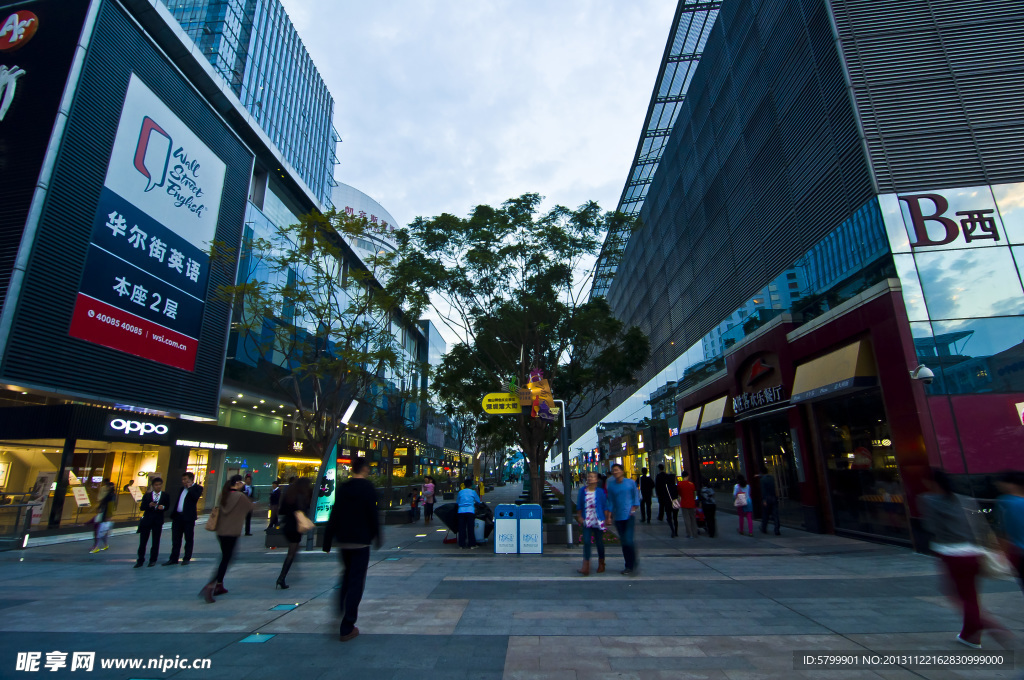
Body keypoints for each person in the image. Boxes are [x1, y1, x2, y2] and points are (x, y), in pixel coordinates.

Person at [920, 469, 1008, 648]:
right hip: (973, 552)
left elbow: (930, 526)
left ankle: (991, 627)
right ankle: (970, 635)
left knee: (956, 596)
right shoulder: (965, 500)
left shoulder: (928, 500)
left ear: (932, 483)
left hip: (951, 554)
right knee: (970, 595)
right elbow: (979, 525)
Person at [323, 457, 381, 642]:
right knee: (357, 581)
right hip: (361, 541)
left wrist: (327, 539)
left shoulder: (343, 488)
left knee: (347, 576)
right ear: (364, 469)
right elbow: (373, 513)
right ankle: (347, 625)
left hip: (344, 540)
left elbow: (335, 512)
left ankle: (340, 607)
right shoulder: (367, 488)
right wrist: (377, 535)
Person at [199, 474, 253, 603]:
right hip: (232, 532)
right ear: (238, 483)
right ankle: (211, 585)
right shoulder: (240, 496)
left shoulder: (223, 494)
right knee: (227, 559)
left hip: (221, 531)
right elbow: (251, 507)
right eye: (242, 483)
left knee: (225, 557)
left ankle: (219, 585)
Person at [276, 477, 313, 589]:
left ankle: (282, 577)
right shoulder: (301, 496)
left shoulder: (289, 494)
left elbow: (281, 510)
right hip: (296, 527)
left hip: (288, 525)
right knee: (291, 553)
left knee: (292, 551)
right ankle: (281, 578)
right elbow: (303, 510)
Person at [606, 463, 640, 575]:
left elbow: (636, 497)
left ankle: (632, 562)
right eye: (613, 471)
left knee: (628, 540)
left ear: (622, 471)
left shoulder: (630, 483)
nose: (615, 472)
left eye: (616, 470)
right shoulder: (611, 485)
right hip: (618, 517)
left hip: (629, 516)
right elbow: (610, 501)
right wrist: (609, 516)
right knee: (624, 542)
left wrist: (633, 509)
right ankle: (629, 564)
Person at [576, 471, 611, 575]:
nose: (590, 478)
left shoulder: (600, 492)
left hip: (598, 520)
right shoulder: (582, 491)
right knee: (586, 541)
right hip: (587, 520)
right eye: (588, 476)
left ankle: (601, 563)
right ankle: (586, 566)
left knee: (599, 542)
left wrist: (606, 518)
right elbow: (579, 505)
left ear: (597, 480)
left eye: (592, 477)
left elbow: (605, 505)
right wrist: (579, 517)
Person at [164, 472, 203, 566]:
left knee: (188, 538)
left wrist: (189, 488)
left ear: (191, 479)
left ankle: (187, 557)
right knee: (176, 539)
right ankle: (174, 558)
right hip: (178, 517)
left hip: (188, 518)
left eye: (185, 479)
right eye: (183, 480)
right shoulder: (182, 489)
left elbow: (195, 497)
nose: (184, 481)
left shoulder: (198, 488)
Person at [995, 470, 1024, 595]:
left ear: (1012, 484)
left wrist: (1002, 552)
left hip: (1019, 551)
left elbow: (1002, 531)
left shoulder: (1005, 502)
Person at [135, 476, 166, 567]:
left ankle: (153, 560)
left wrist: (162, 507)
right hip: (147, 520)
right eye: (156, 485)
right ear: (153, 486)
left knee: (156, 541)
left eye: (160, 485)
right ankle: (140, 560)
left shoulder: (165, 495)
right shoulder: (147, 495)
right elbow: (142, 507)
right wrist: (149, 505)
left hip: (158, 521)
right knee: (143, 542)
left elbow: (167, 506)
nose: (158, 487)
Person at [89, 481, 116, 554]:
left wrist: (108, 516)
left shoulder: (110, 495)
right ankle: (104, 545)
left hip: (104, 515)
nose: (105, 488)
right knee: (103, 531)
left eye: (106, 486)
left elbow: (110, 506)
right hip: (104, 515)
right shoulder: (110, 495)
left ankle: (96, 547)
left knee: (99, 531)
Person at [456, 480, 482, 549]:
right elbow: (478, 501)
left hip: (461, 512)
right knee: (470, 528)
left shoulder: (460, 492)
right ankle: (471, 544)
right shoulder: (473, 492)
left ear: (464, 485)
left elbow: (457, 502)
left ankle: (461, 544)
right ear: (471, 485)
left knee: (462, 529)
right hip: (470, 511)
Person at [759, 469, 781, 536]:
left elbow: (763, 491)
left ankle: (764, 528)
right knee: (775, 515)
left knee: (765, 514)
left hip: (767, 498)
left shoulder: (762, 480)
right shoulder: (772, 478)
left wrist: (764, 500)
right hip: (773, 497)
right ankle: (777, 529)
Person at [677, 472, 698, 539]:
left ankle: (689, 533)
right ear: (688, 476)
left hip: (684, 503)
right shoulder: (691, 484)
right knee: (693, 519)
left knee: (687, 519)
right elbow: (694, 494)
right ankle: (695, 532)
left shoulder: (680, 484)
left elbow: (679, 493)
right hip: (692, 503)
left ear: (682, 476)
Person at [665, 473, 680, 538]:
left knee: (669, 518)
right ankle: (676, 531)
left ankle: (672, 530)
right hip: (675, 502)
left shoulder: (666, 487)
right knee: (675, 518)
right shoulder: (675, 487)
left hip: (668, 503)